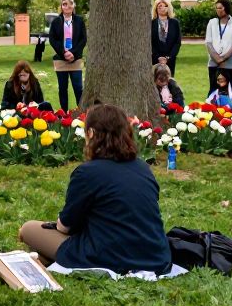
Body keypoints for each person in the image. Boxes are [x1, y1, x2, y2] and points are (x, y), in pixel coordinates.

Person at [19, 104, 171, 274]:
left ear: (90, 133)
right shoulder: (143, 168)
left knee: (28, 229)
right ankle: (42, 257)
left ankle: (40, 257)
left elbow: (65, 227)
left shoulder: (87, 172)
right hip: (156, 257)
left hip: (109, 255)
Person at [48, 0, 86, 110]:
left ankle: (81, 112)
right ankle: (64, 114)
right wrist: (64, 52)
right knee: (63, 88)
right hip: (61, 58)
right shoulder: (56, 22)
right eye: (64, 4)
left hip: (76, 58)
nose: (67, 6)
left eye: (70, 4)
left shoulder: (79, 21)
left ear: (73, 6)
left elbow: (83, 39)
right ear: (61, 7)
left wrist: (73, 53)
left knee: (78, 87)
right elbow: (52, 39)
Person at [206, 0, 232, 93]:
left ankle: (230, 107)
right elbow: (208, 42)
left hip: (230, 62)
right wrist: (217, 59)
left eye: (221, 8)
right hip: (214, 61)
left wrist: (223, 59)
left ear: (226, 8)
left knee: (230, 90)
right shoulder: (212, 23)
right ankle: (212, 107)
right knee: (214, 89)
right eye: (217, 8)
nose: (218, 10)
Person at [151, 0, 181, 77]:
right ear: (156, 8)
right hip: (155, 59)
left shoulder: (175, 23)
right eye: (160, 6)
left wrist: (169, 57)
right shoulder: (151, 23)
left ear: (169, 8)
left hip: (170, 60)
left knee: (169, 82)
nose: (162, 8)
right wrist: (158, 57)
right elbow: (150, 42)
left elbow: (177, 42)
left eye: (165, 6)